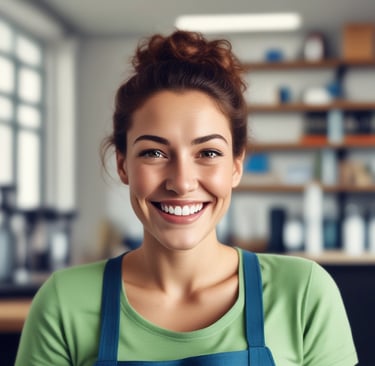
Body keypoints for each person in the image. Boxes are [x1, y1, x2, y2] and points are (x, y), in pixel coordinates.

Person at [15, 30, 358, 366]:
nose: (181, 182)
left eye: (208, 153)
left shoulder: (303, 294)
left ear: (236, 166)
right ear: (123, 165)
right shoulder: (63, 303)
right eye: (154, 153)